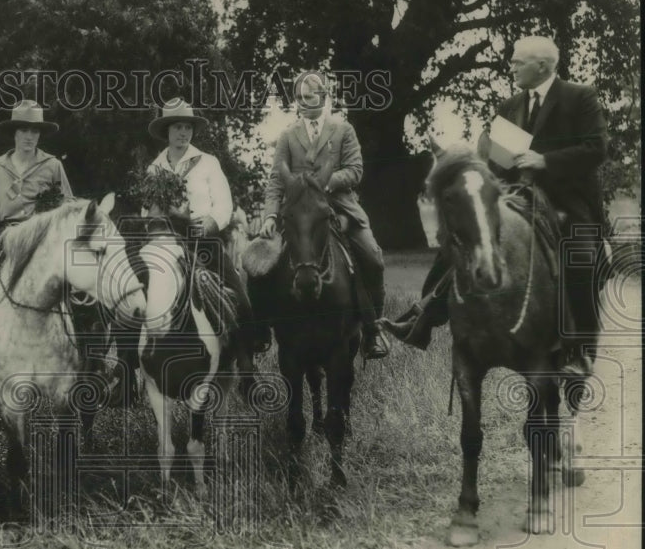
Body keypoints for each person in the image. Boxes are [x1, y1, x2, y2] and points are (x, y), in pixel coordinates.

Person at [383, 35, 608, 377]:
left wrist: (545, 160)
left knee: (582, 261)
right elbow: (498, 164)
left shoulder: (579, 97)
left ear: (543, 65)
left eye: (518, 61)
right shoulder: (509, 107)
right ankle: (424, 317)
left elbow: (596, 149)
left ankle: (579, 351)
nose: (511, 66)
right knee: (459, 238)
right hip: (515, 196)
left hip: (567, 201)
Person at [257, 72, 390, 359]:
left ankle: (372, 331)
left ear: (324, 96)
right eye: (301, 98)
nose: (306, 103)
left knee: (373, 259)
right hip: (298, 213)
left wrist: (326, 182)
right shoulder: (287, 135)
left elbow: (355, 170)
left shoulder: (343, 129)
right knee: (264, 265)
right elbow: (275, 181)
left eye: (311, 96)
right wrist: (269, 216)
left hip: (340, 209)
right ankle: (261, 330)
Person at [140, 98, 264, 371]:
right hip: (166, 244)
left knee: (239, 296)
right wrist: (157, 221)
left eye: (187, 127)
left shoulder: (208, 163)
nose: (183, 133)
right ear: (166, 131)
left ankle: (246, 360)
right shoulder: (154, 168)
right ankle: (128, 364)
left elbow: (224, 205)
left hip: (203, 241)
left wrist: (207, 225)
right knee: (135, 293)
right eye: (177, 128)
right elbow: (144, 210)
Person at [0, 100, 73, 382]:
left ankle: (89, 362)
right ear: (14, 133)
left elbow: (69, 206)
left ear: (40, 134)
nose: (29, 136)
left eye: (34, 131)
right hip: (7, 240)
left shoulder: (52, 164)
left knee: (80, 295)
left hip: (43, 240)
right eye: (23, 130)